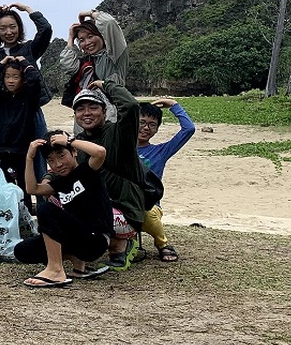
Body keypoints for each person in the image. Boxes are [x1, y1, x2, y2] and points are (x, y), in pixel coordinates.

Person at [13, 131, 113, 288]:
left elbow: (100, 152)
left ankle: (55, 270)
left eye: (61, 156)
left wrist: (71, 140)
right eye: (51, 160)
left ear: (74, 152)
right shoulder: (59, 183)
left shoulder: (87, 171)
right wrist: (29, 158)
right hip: (75, 239)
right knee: (22, 250)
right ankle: (76, 261)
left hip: (96, 239)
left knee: (46, 208)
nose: (58, 164)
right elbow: (32, 188)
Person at [72, 82, 145, 270]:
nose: (86, 113)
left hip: (125, 208)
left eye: (93, 107)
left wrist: (106, 85)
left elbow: (130, 106)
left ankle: (123, 243)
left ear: (105, 112)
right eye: (80, 109)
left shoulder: (120, 132)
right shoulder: (79, 142)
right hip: (99, 206)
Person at [0, 2, 53, 124]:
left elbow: (45, 30)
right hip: (4, 110)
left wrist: (27, 9)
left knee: (38, 142)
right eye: (2, 28)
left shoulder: (30, 49)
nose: (8, 32)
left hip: (30, 110)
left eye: (12, 27)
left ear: (19, 27)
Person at [138, 98, 195, 262]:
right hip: (123, 202)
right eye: (141, 122)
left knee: (147, 213)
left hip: (150, 205)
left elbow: (188, 129)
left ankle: (163, 244)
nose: (146, 128)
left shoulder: (161, 152)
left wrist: (173, 105)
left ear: (157, 129)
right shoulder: (119, 147)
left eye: (152, 124)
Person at [0, 55, 44, 210]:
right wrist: (1, 63)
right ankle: (10, 216)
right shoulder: (0, 99)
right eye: (7, 76)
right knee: (7, 187)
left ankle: (25, 219)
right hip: (4, 150)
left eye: (15, 77)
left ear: (23, 79)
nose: (10, 80)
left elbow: (35, 80)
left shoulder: (29, 98)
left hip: (24, 151)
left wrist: (25, 63)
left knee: (24, 187)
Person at [60, 9, 127, 111]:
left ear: (101, 36)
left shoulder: (114, 55)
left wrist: (89, 13)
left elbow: (109, 23)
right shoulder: (86, 62)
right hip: (84, 116)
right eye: (81, 40)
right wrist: (70, 38)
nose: (87, 43)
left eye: (90, 36)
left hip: (110, 116)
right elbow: (68, 65)